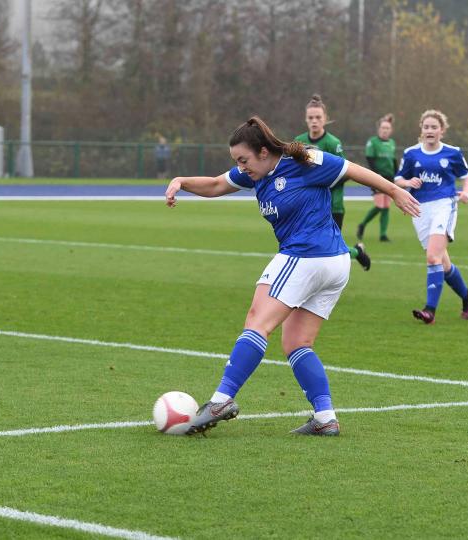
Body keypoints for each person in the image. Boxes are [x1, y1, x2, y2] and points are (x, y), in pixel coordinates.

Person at [164, 116, 419, 436]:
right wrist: (181, 181)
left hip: (308, 255)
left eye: (243, 160)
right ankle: (325, 418)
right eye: (237, 162)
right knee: (297, 341)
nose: (241, 167)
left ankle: (221, 401)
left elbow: (353, 169)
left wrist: (394, 190)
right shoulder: (256, 174)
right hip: (334, 263)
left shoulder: (304, 160)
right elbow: (216, 184)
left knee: (257, 322)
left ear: (263, 151)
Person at [394, 110, 468, 325]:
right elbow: (398, 179)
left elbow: (466, 177)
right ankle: (467, 296)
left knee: (433, 257)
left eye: (434, 127)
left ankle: (429, 310)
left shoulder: (452, 152)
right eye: (426, 127)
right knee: (443, 263)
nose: (430, 130)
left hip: (444, 205)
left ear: (442, 130)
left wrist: (466, 192)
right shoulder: (412, 153)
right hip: (419, 209)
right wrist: (408, 183)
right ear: (421, 129)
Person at [294, 94, 370, 270]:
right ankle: (356, 252)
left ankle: (356, 252)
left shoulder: (333, 143)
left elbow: (345, 173)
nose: (314, 121)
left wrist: (322, 183)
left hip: (332, 205)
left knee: (330, 248)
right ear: (306, 119)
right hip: (307, 204)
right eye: (311, 117)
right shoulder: (299, 141)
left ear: (325, 119)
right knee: (311, 245)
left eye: (318, 117)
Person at [356, 114, 397, 242]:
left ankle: (383, 235)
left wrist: (397, 175)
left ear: (391, 130)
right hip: (377, 176)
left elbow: (393, 161)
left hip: (390, 177)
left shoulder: (392, 143)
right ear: (379, 129)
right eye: (383, 128)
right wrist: (375, 175)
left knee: (386, 206)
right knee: (380, 205)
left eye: (387, 128)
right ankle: (362, 224)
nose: (385, 130)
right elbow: (370, 159)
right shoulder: (372, 142)